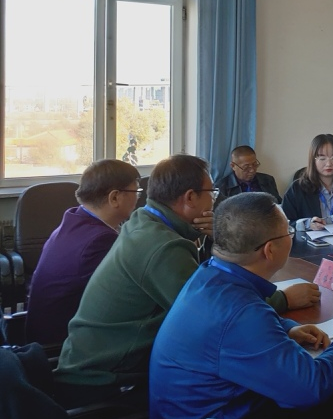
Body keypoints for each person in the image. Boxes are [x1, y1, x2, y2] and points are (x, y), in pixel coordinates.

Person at [54, 154, 319, 406]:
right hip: (106, 382)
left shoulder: (144, 220)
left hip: (96, 363)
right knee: (266, 390)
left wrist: (207, 236)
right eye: (211, 193)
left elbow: (207, 280)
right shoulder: (163, 247)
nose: (214, 201)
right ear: (190, 197)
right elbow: (215, 312)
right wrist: (283, 300)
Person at [149, 193, 333, 419]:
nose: (291, 235)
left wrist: (285, 327)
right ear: (270, 250)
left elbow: (234, 328)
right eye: (288, 231)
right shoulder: (242, 314)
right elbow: (308, 388)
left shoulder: (209, 274)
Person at [24, 160, 141, 346]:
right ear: (114, 198)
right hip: (61, 347)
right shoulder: (99, 241)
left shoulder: (75, 219)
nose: (138, 199)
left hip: (40, 337)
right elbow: (129, 296)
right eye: (136, 192)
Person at [282, 134, 333, 231]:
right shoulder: (297, 189)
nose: (329, 164)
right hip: (312, 240)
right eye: (322, 159)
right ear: (313, 160)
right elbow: (283, 224)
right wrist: (307, 224)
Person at [215, 144, 281, 203]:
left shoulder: (268, 180)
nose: (252, 170)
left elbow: (277, 204)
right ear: (233, 166)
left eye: (254, 165)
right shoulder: (222, 187)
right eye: (246, 167)